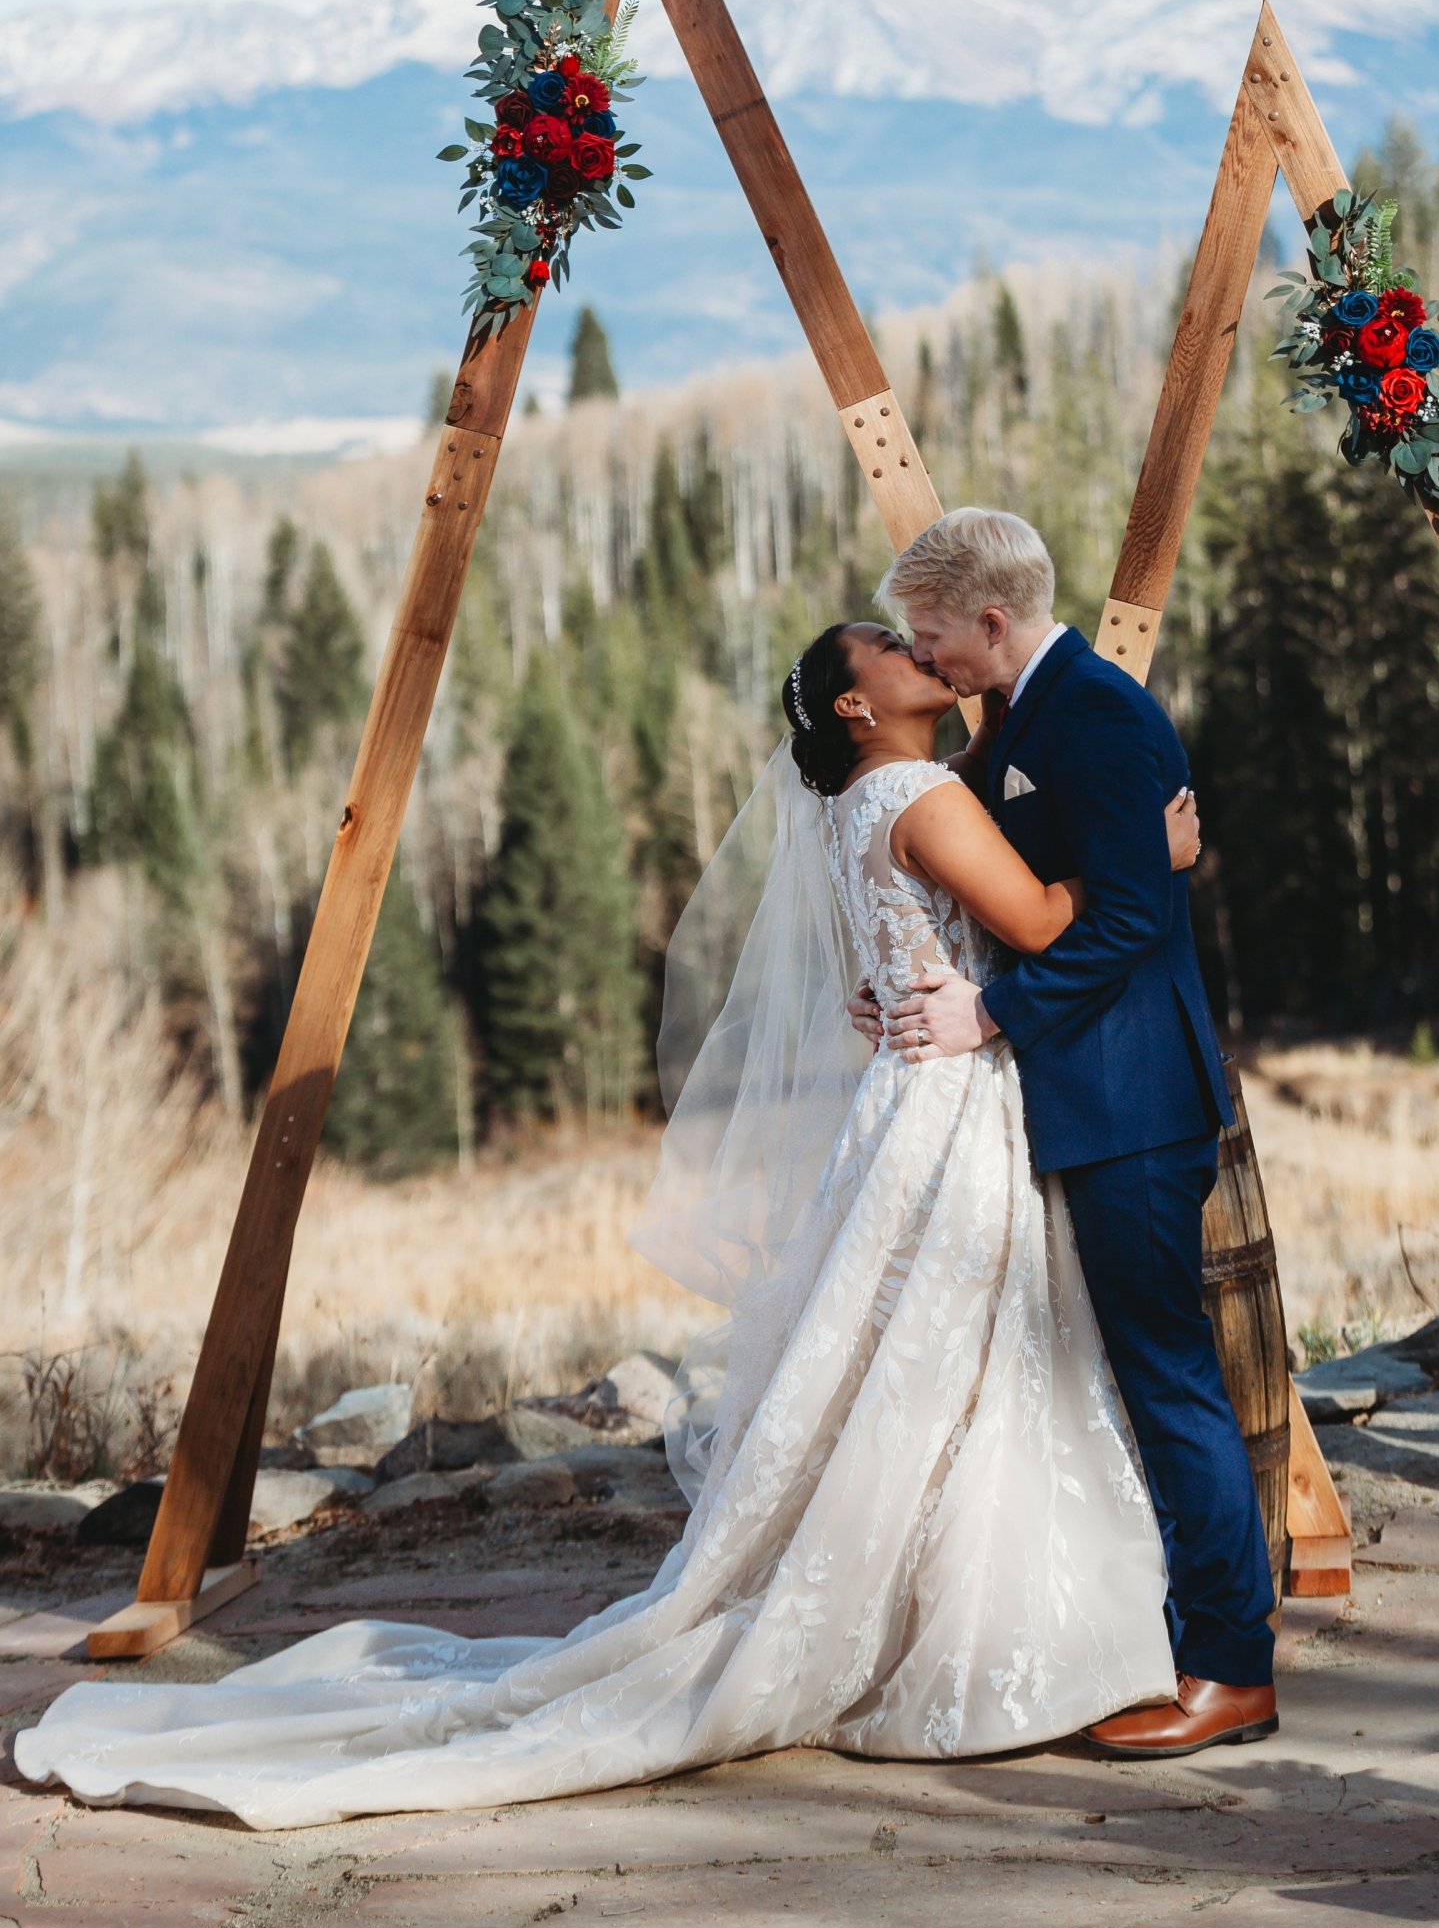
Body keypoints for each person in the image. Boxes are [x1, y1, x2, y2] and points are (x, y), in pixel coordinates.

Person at [15, 619, 1204, 1829]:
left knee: (918, 1372)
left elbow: (912, 944)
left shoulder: (861, 803)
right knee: (964, 1365)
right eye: (893, 648)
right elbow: (1053, 926)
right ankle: (976, 1636)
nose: (921, 654)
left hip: (896, 1102)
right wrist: (1144, 860)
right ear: (855, 704)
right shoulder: (920, 793)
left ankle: (933, 1609)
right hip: (951, 1102)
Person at [868, 508, 1277, 1758]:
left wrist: (987, 1013)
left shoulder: (1093, 714)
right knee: (1135, 1376)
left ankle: (1230, 1666)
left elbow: (1119, 933)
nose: (925, 659)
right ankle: (1163, 1633)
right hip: (1086, 1099)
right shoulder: (1022, 719)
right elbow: (1078, 880)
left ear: (991, 622)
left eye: (933, 636)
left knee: (1167, 1376)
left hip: (1130, 1103)